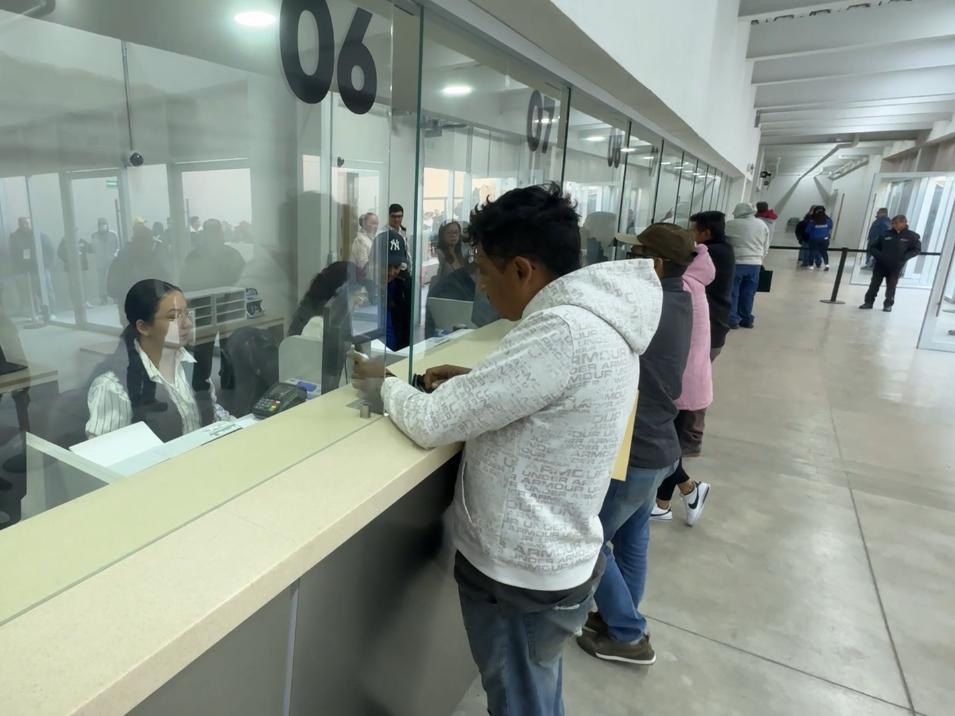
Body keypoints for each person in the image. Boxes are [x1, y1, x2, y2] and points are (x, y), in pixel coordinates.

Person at [354, 183, 661, 715]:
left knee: (520, 703)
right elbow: (551, 397)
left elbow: (431, 421)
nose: (479, 284)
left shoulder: (560, 331)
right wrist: (480, 380)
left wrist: (382, 385)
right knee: (536, 693)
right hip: (557, 558)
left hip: (521, 573)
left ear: (522, 269)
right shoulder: (596, 318)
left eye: (484, 271)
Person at [576, 223, 693, 666]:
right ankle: (616, 617)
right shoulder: (679, 299)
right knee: (631, 540)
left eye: (636, 254)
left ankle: (627, 633)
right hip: (660, 447)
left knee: (587, 542)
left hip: (636, 451)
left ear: (656, 264)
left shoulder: (651, 307)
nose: (627, 261)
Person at [86, 279, 231, 441]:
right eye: (173, 317)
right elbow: (103, 451)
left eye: (186, 314)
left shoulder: (190, 365)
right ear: (143, 327)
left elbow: (211, 411)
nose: (187, 324)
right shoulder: (113, 387)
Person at [652, 241, 715, 524]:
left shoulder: (682, 289)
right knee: (669, 444)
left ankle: (685, 491)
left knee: (664, 446)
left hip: (681, 384)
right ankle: (669, 500)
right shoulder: (692, 282)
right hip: (687, 381)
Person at [683, 211, 734, 456]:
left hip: (709, 328)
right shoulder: (723, 249)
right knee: (695, 380)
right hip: (715, 326)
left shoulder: (709, 255)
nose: (691, 235)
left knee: (695, 382)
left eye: (694, 230)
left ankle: (692, 439)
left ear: (707, 232)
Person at [179, 219, 247, 392]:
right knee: (206, 345)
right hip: (208, 307)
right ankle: (207, 382)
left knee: (224, 344)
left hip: (223, 306)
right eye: (212, 231)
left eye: (216, 231)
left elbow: (243, 278)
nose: (215, 235)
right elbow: (186, 281)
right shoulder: (201, 256)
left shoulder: (225, 254)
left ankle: (222, 379)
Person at [108, 223, 173, 321]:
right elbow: (165, 279)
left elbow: (165, 279)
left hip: (137, 305)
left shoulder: (149, 257)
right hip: (135, 305)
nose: (151, 245)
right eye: (149, 242)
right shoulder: (126, 259)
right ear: (143, 242)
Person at [860, 214, 921, 313]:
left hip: (895, 267)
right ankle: (868, 302)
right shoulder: (885, 234)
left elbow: (916, 250)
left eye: (896, 223)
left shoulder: (912, 236)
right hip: (880, 265)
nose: (894, 225)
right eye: (893, 223)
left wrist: (904, 257)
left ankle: (888, 305)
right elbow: (873, 247)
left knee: (891, 287)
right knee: (874, 285)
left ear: (904, 223)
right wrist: (880, 256)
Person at [287, 261, 362, 337]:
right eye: (355, 294)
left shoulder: (330, 313)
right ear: (340, 292)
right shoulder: (316, 323)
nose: (360, 301)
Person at [725, 202, 770, 329]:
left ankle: (732, 320)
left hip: (736, 263)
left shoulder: (730, 224)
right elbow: (766, 245)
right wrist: (760, 258)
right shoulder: (762, 224)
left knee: (733, 292)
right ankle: (746, 319)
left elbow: (725, 242)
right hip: (755, 264)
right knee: (748, 293)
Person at [9, 217, 56, 320]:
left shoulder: (40, 235)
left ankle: (51, 311)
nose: (25, 225)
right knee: (30, 292)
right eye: (22, 223)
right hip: (27, 270)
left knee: (46, 290)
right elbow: (14, 254)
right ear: (19, 225)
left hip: (41, 267)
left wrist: (46, 263)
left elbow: (50, 249)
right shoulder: (15, 237)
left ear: (30, 223)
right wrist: (19, 267)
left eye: (27, 223)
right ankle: (36, 312)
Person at [372, 229, 412, 351]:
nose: (390, 272)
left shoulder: (404, 286)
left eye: (396, 266)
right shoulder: (361, 288)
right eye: (385, 265)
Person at [89, 218, 119, 305]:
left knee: (113, 279)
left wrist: (114, 255)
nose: (102, 226)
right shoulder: (94, 236)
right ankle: (103, 298)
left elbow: (117, 246)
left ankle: (115, 297)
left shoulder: (113, 234)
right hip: (100, 261)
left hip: (111, 259)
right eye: (101, 225)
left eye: (104, 224)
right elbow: (93, 248)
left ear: (107, 225)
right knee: (101, 281)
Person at [803, 206, 833, 270]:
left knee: (812, 252)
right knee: (824, 252)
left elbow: (807, 230)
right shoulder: (828, 220)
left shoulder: (812, 220)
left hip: (814, 239)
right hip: (825, 239)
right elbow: (830, 227)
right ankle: (827, 265)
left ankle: (811, 266)